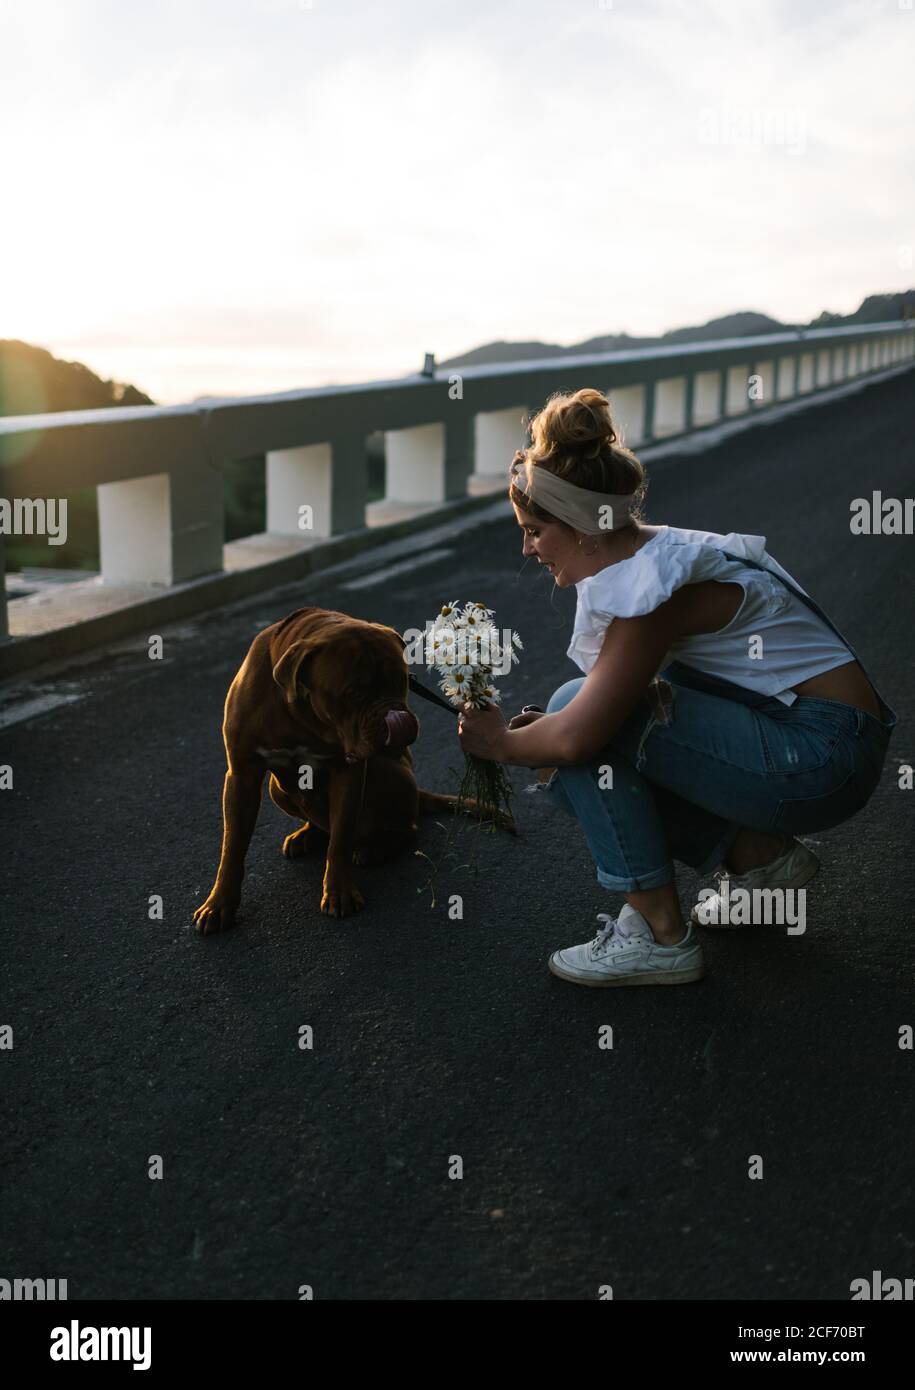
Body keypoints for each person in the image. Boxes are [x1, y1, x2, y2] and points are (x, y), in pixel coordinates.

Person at [456, 387, 897, 988]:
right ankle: (759, 860)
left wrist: (499, 744)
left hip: (822, 755)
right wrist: (548, 740)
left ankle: (660, 936)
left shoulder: (650, 592)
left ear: (583, 527)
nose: (527, 548)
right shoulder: (655, 554)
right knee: (569, 735)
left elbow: (578, 739)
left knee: (569, 728)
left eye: (534, 531)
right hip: (829, 740)